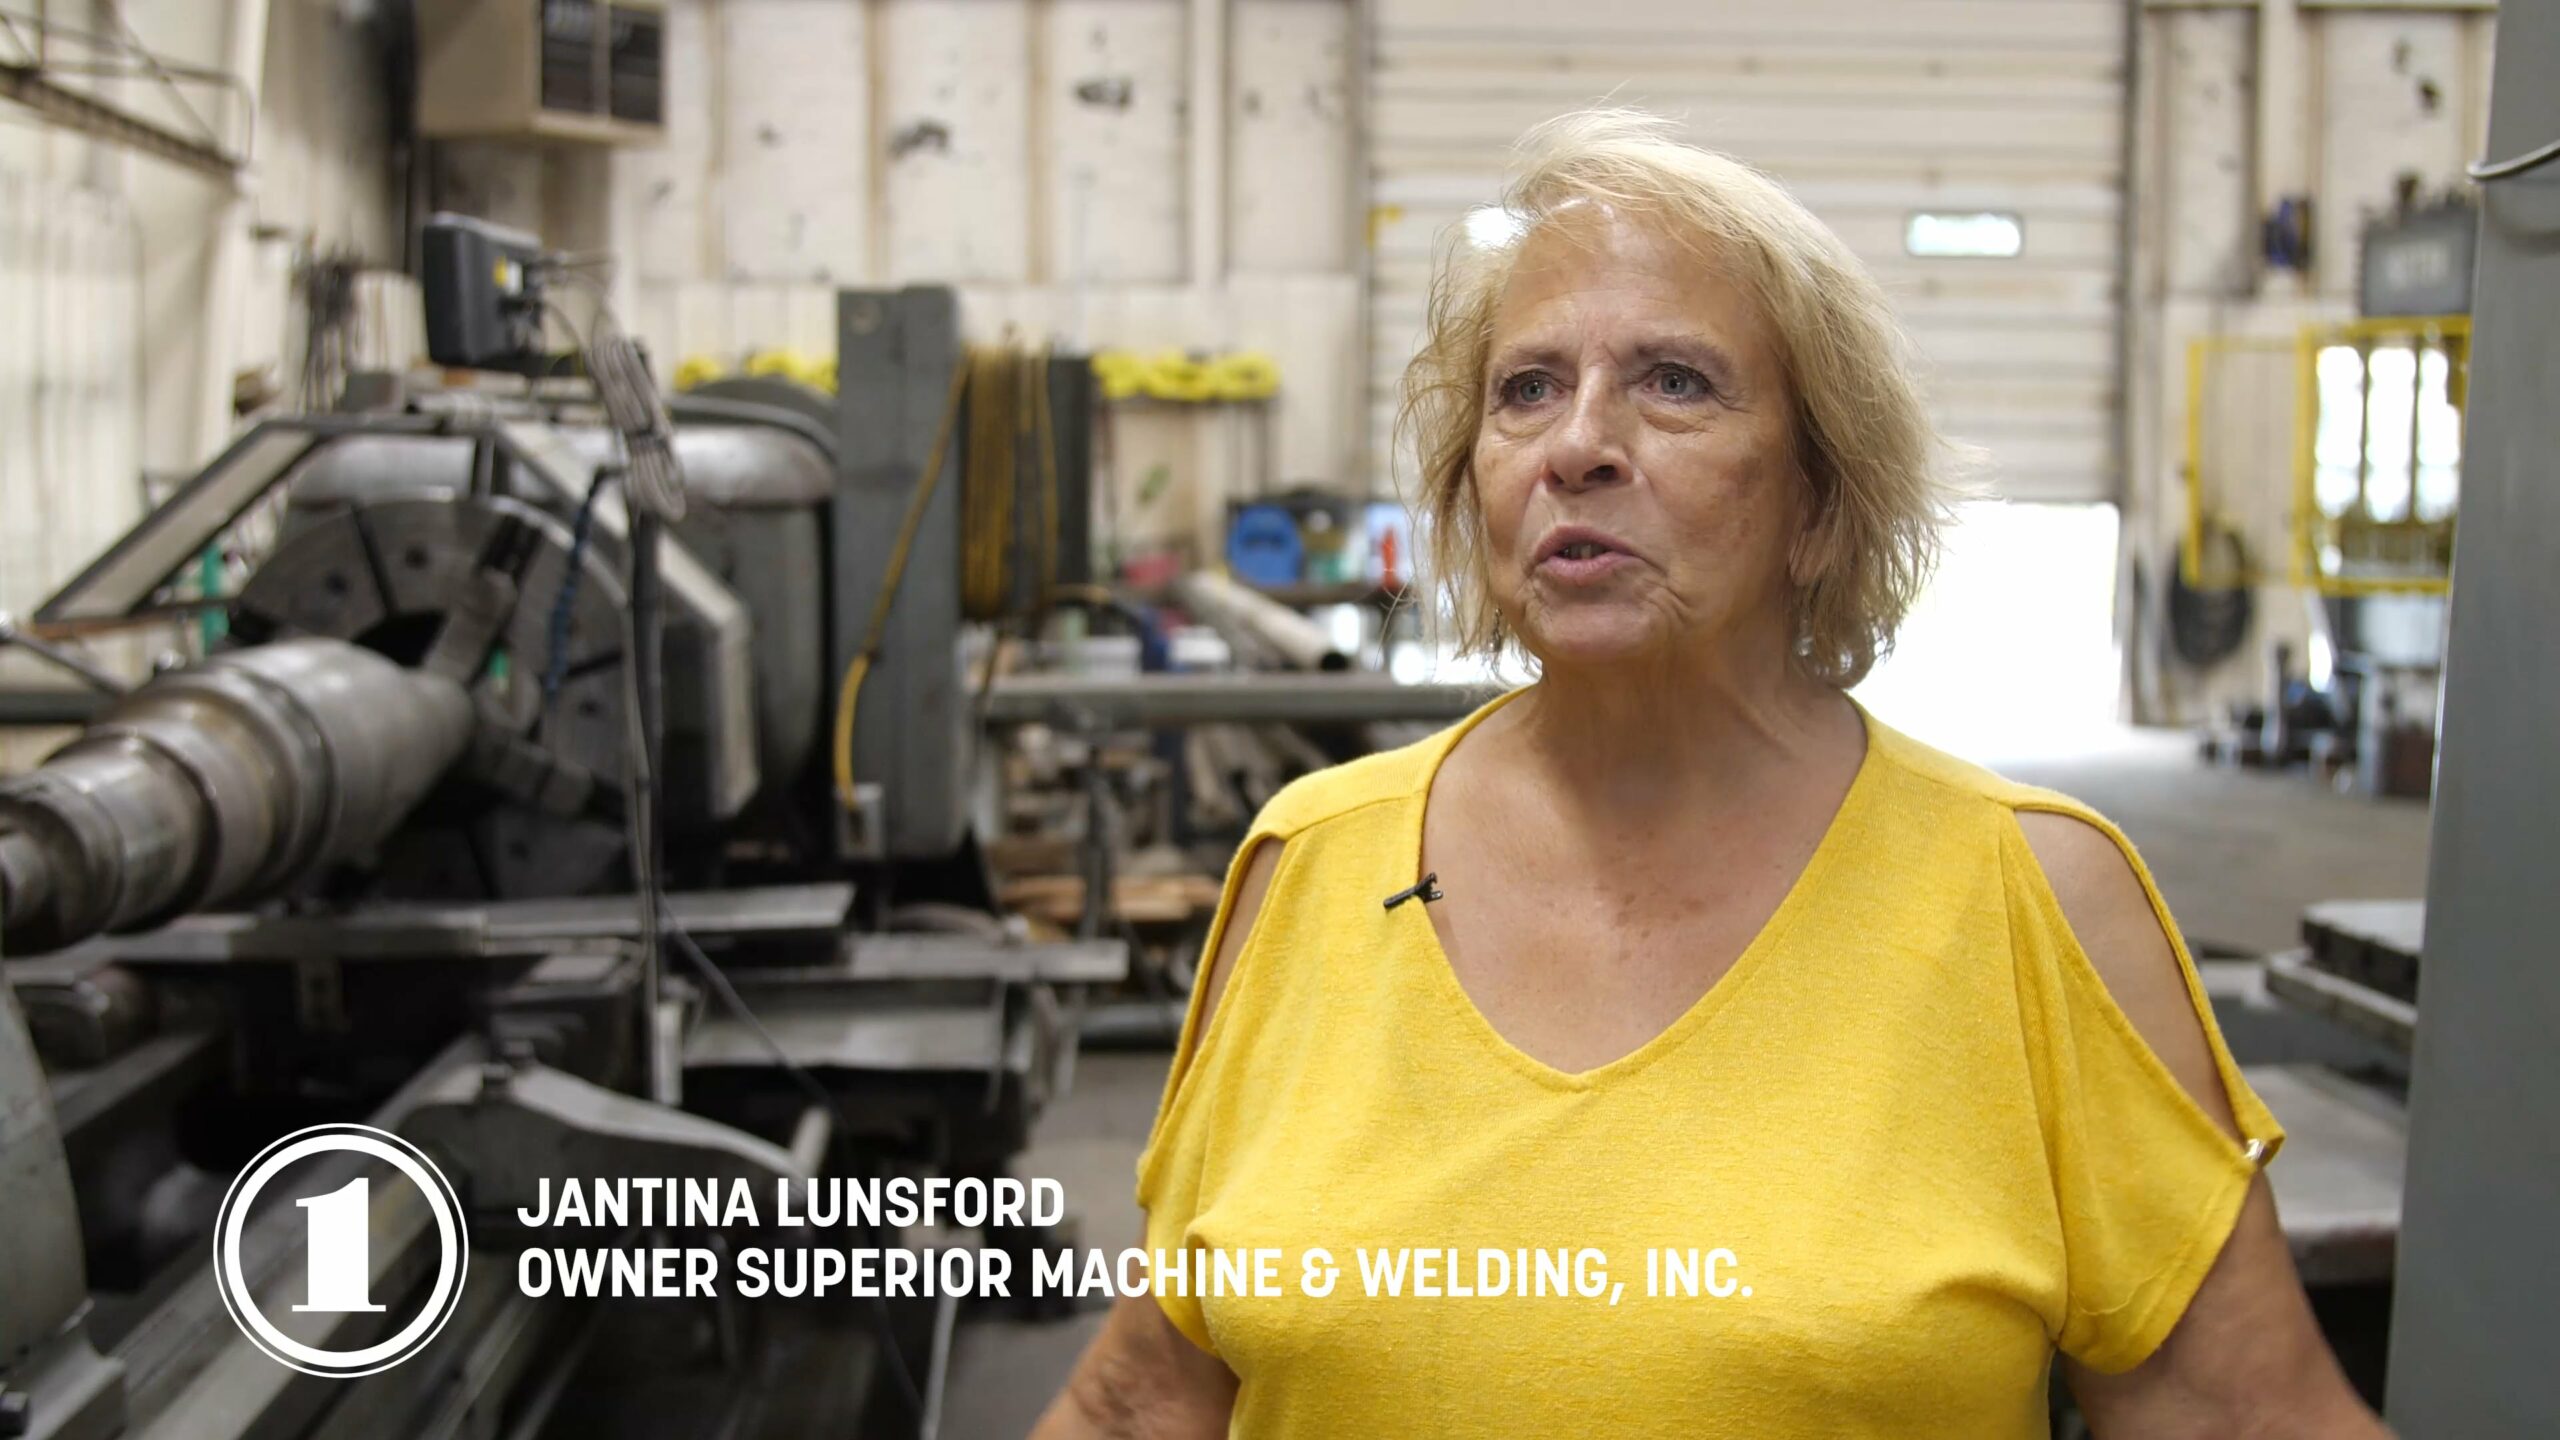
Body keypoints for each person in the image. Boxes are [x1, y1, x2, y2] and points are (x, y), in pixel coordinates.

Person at [1034, 109, 2385, 1438]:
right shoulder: (1315, 865)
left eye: (1674, 382)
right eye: (1527, 390)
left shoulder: (2036, 901)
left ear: (1817, 504)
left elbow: (2249, 1419)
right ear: (1475, 484)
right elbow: (1149, 1394)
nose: (1578, 445)